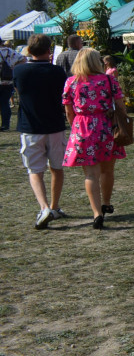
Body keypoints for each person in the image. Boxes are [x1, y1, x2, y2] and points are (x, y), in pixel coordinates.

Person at [62, 47, 126, 230]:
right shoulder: (108, 79)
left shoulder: (71, 82)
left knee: (90, 174)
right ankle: (106, 203)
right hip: (107, 127)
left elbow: (68, 111)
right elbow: (120, 106)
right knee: (107, 170)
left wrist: (76, 126)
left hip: (82, 128)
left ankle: (96, 212)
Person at [12, 34, 67, 228]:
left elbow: (19, 92)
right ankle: (54, 205)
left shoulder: (19, 71)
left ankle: (44, 207)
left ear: (29, 50)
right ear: (48, 50)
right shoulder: (58, 72)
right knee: (57, 168)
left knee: (35, 171)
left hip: (31, 127)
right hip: (55, 126)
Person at [1, 39, 27, 131]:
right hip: (8, 81)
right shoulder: (9, 51)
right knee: (5, 103)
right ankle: (5, 125)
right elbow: (24, 59)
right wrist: (14, 68)